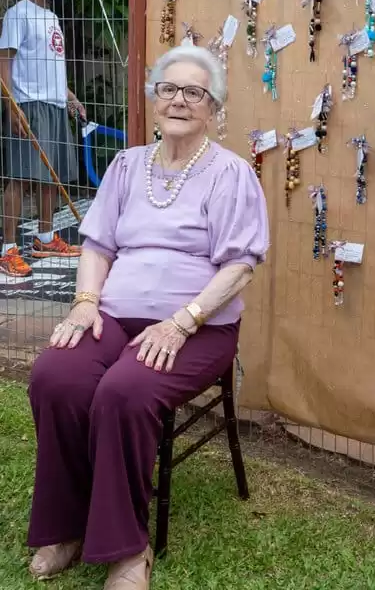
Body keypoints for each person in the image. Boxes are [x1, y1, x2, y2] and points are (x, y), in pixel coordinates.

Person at [25, 44, 269, 590]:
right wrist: (85, 304)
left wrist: (182, 321)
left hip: (199, 327)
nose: (179, 100)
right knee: (55, 377)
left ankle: (127, 547)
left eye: (194, 93)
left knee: (124, 392)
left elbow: (241, 266)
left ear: (214, 109)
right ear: (153, 98)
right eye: (168, 89)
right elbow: (97, 245)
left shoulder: (230, 174)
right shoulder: (127, 165)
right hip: (114, 314)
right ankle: (65, 527)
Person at [0, 0, 86, 278]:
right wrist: (12, 105)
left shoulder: (52, 17)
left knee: (53, 177)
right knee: (21, 178)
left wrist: (71, 98)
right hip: (29, 105)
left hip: (54, 105)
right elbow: (4, 60)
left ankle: (45, 238)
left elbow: (51, 65)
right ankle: (7, 250)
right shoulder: (18, 15)